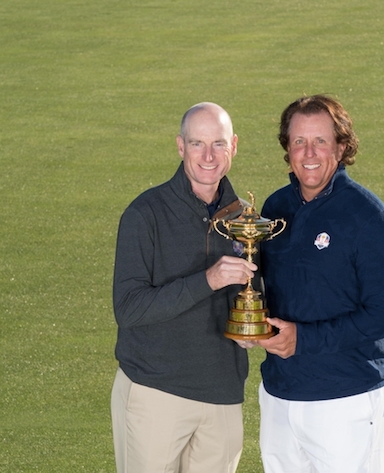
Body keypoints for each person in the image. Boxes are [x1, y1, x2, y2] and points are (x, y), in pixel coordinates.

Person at [254, 95, 384, 473]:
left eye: (320, 141)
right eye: (298, 142)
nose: (309, 153)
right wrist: (250, 324)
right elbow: (261, 288)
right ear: (287, 148)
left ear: (341, 147)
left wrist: (304, 339)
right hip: (279, 395)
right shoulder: (274, 209)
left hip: (345, 401)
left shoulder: (367, 215)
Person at [110, 102, 257, 473]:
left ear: (234, 146)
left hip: (223, 395)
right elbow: (128, 309)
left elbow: (256, 289)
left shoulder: (246, 219)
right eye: (197, 144)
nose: (209, 156)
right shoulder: (145, 214)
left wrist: (253, 328)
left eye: (219, 144)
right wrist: (207, 280)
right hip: (155, 394)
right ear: (180, 146)